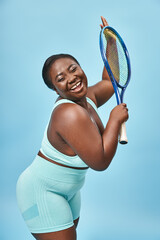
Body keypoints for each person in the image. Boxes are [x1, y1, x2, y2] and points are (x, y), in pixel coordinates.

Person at [16, 16, 129, 240]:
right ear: (56, 90)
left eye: (73, 68)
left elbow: (110, 82)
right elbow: (100, 161)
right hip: (42, 192)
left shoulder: (87, 97)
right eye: (61, 78)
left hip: (69, 190)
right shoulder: (68, 114)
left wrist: (111, 43)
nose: (72, 78)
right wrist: (114, 120)